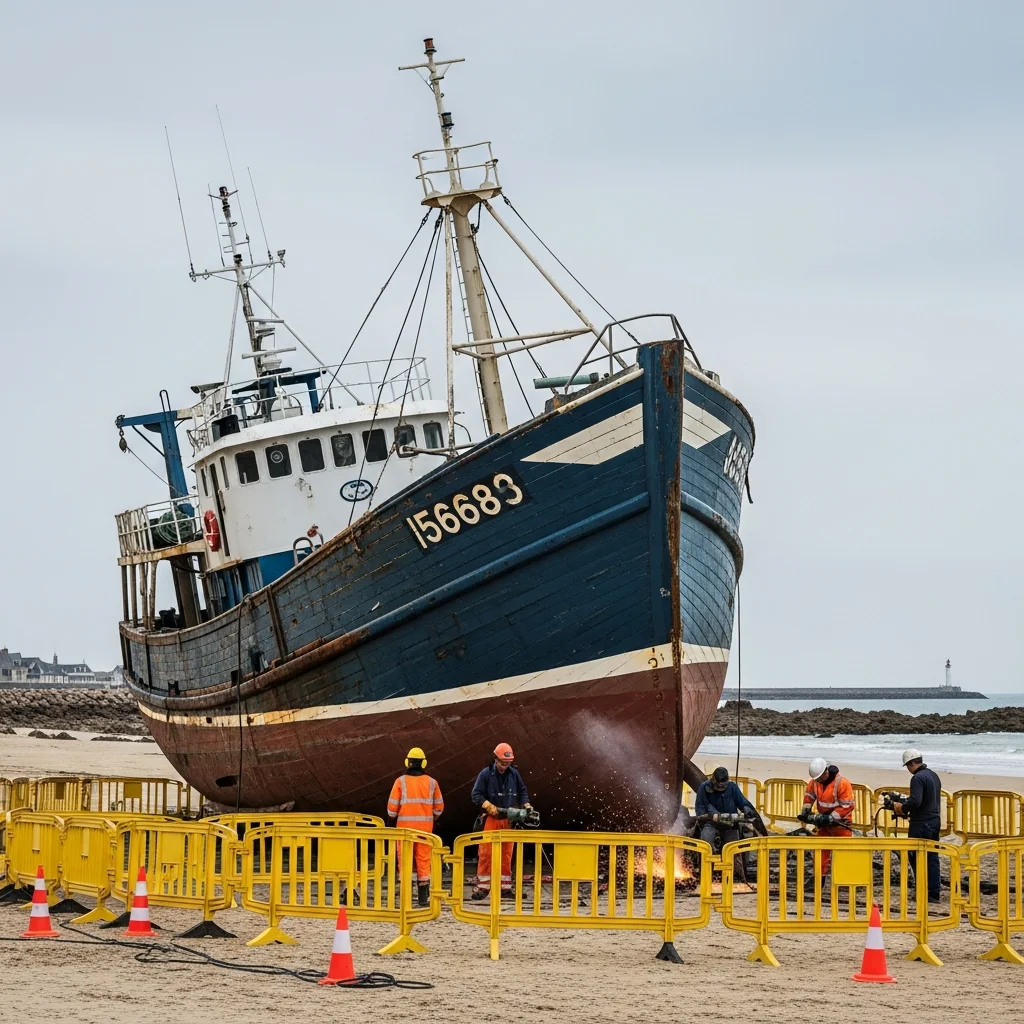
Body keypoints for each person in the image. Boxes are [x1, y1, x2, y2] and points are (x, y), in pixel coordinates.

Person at [470, 742, 532, 900]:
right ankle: (483, 888)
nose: (505, 766)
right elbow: (476, 794)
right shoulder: (485, 774)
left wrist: (527, 805)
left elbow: (522, 790)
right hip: (491, 818)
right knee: (486, 853)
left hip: (508, 820)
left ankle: (505, 888)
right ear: (495, 759)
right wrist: (487, 805)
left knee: (506, 854)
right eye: (502, 763)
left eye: (508, 763)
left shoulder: (514, 774)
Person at [386, 746, 444, 907]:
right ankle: (423, 900)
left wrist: (395, 819)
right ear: (424, 763)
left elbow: (391, 810)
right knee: (424, 863)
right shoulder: (432, 783)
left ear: (407, 762)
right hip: (425, 831)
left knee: (404, 862)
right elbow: (439, 807)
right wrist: (429, 818)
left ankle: (406, 899)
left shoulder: (400, 782)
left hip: (404, 831)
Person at [891, 748, 942, 902]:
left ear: (912, 763)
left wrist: (902, 807)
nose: (908, 769)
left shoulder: (917, 778)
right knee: (932, 857)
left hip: (921, 824)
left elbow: (916, 801)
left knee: (917, 857)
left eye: (907, 765)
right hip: (934, 821)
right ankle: (934, 892)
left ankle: (922, 890)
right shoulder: (933, 775)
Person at [800, 758, 854, 876]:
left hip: (841, 825)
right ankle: (819, 878)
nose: (818, 781)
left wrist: (830, 818)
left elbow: (847, 806)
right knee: (820, 852)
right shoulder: (815, 782)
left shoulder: (842, 783)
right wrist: (806, 810)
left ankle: (844, 879)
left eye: (819, 778)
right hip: (824, 825)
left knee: (843, 854)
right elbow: (809, 796)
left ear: (826, 772)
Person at [694, 767, 757, 849]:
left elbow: (742, 801)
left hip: (730, 824)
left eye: (724, 787)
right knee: (705, 843)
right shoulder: (704, 787)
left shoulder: (732, 787)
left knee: (733, 848)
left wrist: (746, 808)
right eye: (719, 786)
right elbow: (700, 808)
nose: (721, 788)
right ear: (713, 780)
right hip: (711, 823)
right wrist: (711, 815)